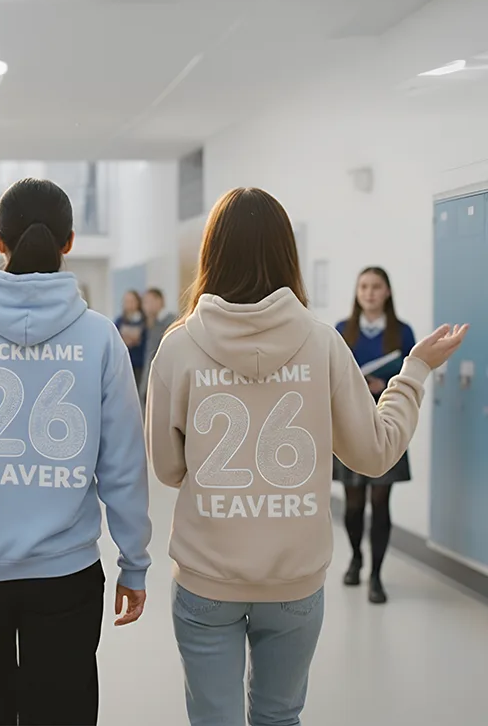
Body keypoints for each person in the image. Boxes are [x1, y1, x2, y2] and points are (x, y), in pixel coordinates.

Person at [145, 187, 466, 726]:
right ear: (286, 255)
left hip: (207, 580)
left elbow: (167, 467)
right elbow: (374, 452)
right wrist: (413, 371)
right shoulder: (323, 344)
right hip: (294, 583)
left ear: (211, 255)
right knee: (279, 718)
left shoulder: (178, 347)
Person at [0, 178, 152, 726]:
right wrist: (133, 559)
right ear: (69, 243)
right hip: (66, 573)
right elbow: (124, 467)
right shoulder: (100, 337)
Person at [334, 267, 416, 604]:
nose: (369, 292)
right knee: (354, 505)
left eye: (376, 287)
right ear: (357, 292)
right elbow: (334, 375)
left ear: (387, 292)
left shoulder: (402, 332)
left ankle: (377, 576)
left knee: (380, 503)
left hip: (388, 424)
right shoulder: (342, 330)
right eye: (364, 286)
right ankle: (355, 558)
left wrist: (386, 385)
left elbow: (412, 373)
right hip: (352, 426)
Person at [139, 287, 176, 401]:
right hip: (150, 377)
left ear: (159, 301)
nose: (145, 306)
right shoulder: (150, 324)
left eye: (148, 301)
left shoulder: (171, 321)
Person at [115, 289, 148, 390]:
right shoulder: (119, 321)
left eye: (132, 301)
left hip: (139, 363)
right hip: (124, 363)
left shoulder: (144, 321)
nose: (129, 304)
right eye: (127, 301)